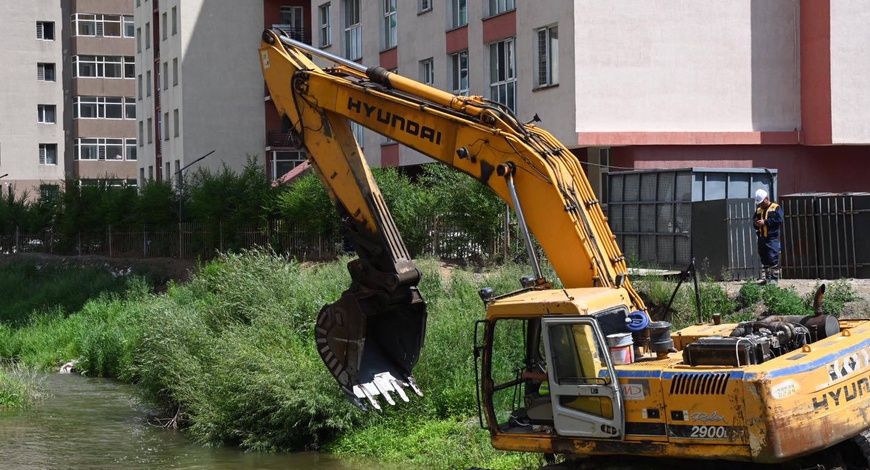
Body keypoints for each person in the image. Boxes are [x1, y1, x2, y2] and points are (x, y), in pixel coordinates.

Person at [753, 188, 783, 285]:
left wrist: (765, 222)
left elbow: (779, 220)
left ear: (766, 198)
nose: (760, 204)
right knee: (764, 258)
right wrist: (756, 224)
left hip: (771, 238)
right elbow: (754, 223)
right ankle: (767, 278)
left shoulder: (775, 207)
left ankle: (774, 278)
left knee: (773, 257)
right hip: (761, 238)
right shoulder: (758, 210)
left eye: (762, 202)